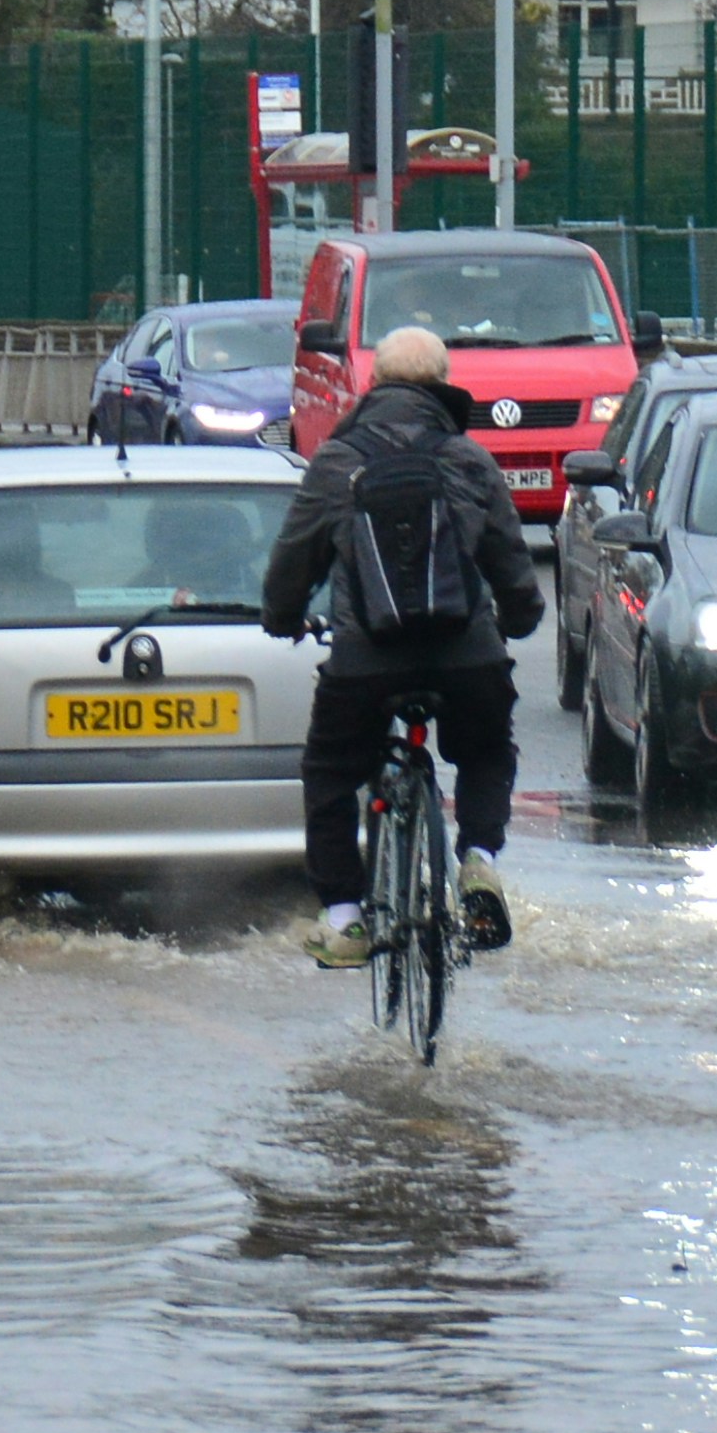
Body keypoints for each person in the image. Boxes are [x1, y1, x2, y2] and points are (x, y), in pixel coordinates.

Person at [262, 320, 539, 967]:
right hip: (466, 653)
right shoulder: (468, 459)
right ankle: (477, 859)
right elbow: (511, 566)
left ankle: (345, 917)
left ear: (376, 382)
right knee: (486, 751)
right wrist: (519, 622)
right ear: (443, 385)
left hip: (366, 661)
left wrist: (282, 616)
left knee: (330, 772)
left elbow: (292, 560)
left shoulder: (338, 460)